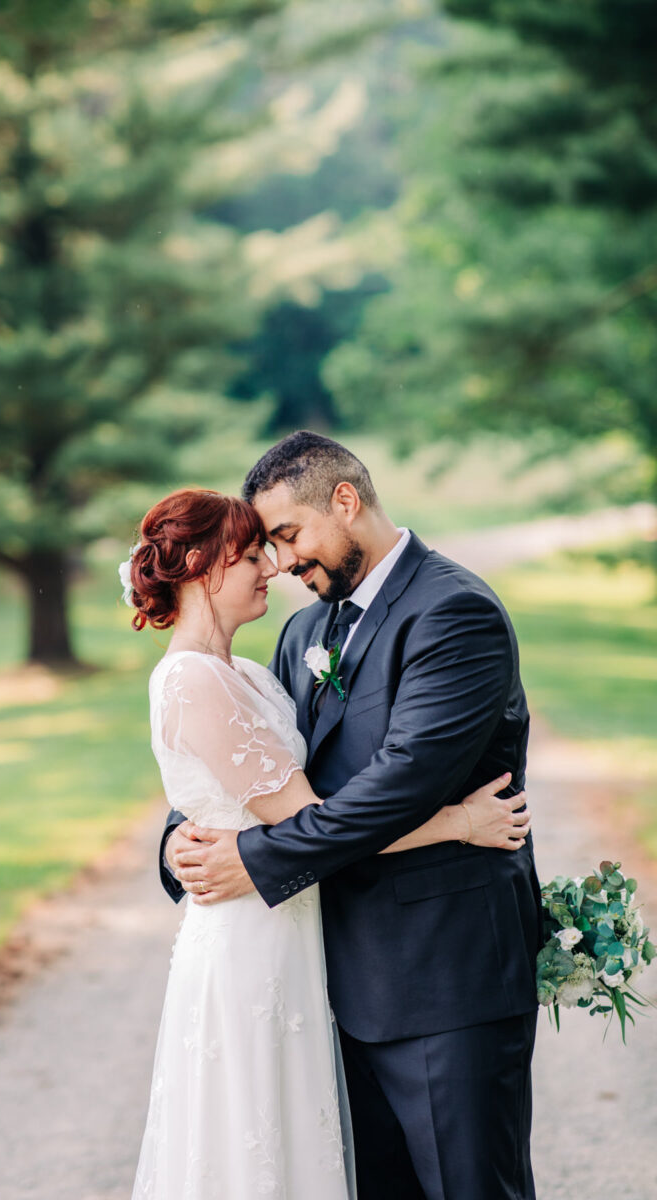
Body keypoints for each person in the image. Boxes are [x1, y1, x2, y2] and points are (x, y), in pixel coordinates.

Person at [161, 432, 542, 1200]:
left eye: (290, 536)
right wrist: (182, 842)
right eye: (267, 546)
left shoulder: (453, 612)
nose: (283, 562)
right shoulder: (306, 632)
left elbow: (400, 787)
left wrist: (255, 859)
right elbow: (254, 768)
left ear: (346, 500)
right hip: (327, 980)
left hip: (442, 980)